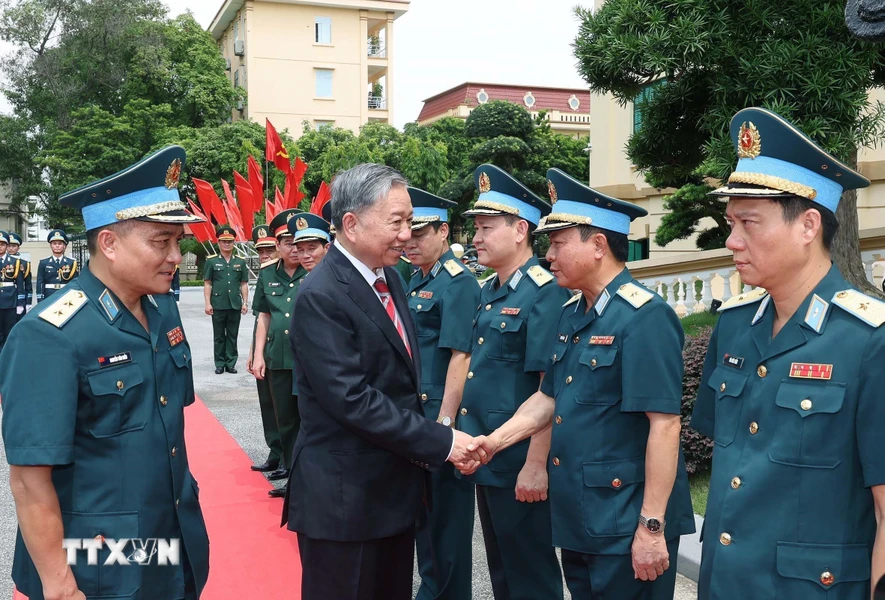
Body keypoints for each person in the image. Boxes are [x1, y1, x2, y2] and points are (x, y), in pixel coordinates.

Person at [469, 168, 696, 598]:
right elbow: (547, 398)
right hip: (582, 516)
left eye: (557, 244)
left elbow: (664, 425)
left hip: (626, 519)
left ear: (597, 245)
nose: (548, 255)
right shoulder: (574, 313)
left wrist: (651, 527)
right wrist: (493, 443)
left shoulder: (644, 317)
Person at [690, 107, 885, 598]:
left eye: (749, 223)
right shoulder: (734, 325)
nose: (732, 240)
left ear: (808, 226)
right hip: (725, 582)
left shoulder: (869, 340)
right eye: (730, 222)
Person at [0, 145, 210, 600]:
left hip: (167, 532)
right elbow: (29, 479)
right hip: (96, 559)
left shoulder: (163, 311)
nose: (176, 256)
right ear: (110, 244)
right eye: (161, 242)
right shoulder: (50, 334)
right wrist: (59, 586)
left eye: (178, 242)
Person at [284, 163, 485, 600]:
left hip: (391, 496)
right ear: (351, 224)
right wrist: (444, 442)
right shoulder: (321, 294)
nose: (406, 234)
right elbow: (352, 399)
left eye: (410, 221)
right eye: (397, 221)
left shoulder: (390, 277)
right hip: (345, 501)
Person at [458, 164, 570, 600]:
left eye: (486, 228)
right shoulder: (491, 290)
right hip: (490, 453)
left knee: (531, 574)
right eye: (476, 229)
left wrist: (535, 464)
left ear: (521, 229)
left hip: (519, 458)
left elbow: (549, 386)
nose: (476, 238)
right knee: (503, 566)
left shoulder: (544, 292)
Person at [405, 188, 480, 600]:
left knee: (448, 522)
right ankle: (431, 586)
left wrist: (446, 423)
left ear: (443, 231)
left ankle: (448, 593)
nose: (410, 242)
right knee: (424, 516)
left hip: (441, 418)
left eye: (420, 233)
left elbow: (460, 356)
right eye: (406, 233)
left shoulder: (458, 282)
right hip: (418, 416)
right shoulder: (417, 279)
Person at [251, 209, 309, 497]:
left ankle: (303, 474)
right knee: (284, 418)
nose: (294, 248)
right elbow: (263, 317)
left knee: (307, 417)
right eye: (288, 242)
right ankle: (289, 468)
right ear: (278, 245)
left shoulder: (313, 271)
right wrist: (258, 354)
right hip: (278, 356)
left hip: (306, 358)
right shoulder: (266, 274)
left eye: (298, 242)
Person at [246, 224, 283, 475]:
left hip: (286, 352)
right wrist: (253, 352)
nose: (265, 255)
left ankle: (287, 457)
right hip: (267, 348)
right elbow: (261, 316)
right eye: (261, 251)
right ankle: (275, 451)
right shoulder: (266, 275)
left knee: (286, 408)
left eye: (270, 249)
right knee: (268, 402)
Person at [203, 225, 249, 374]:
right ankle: (219, 363)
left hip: (234, 304)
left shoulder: (240, 262)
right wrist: (208, 303)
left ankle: (231, 363)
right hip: (218, 304)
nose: (227, 244)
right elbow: (208, 283)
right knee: (218, 336)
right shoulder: (211, 261)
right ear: (218, 242)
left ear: (234, 242)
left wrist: (245, 302)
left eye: (229, 241)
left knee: (232, 334)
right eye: (224, 241)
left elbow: (243, 284)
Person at [0, 230, 26, 350]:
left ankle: (7, 357)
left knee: (9, 331)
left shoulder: (16, 262)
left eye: (3, 244)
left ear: (6, 246)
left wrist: (21, 303)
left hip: (10, 301)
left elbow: (20, 285)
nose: (0, 247)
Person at [35, 229, 78, 302]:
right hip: (48, 296)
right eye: (54, 243)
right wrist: (40, 298)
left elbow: (75, 282)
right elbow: (40, 282)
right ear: (51, 246)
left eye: (60, 243)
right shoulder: (44, 262)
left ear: (64, 246)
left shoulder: (71, 263)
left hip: (66, 295)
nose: (57, 246)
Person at [8, 232, 33, 320]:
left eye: (14, 246)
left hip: (19, 298)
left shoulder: (24, 263)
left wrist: (28, 302)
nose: (11, 248)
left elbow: (28, 284)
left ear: (18, 247)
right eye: (8, 245)